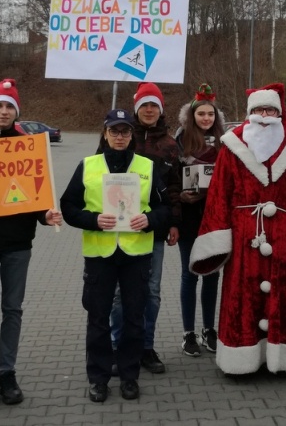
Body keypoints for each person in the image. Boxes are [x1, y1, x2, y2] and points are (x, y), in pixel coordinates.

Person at [190, 83, 286, 375]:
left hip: (281, 233)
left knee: (281, 294)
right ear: (249, 114)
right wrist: (218, 239)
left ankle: (279, 360)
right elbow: (218, 194)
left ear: (279, 114)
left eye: (270, 110)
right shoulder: (231, 145)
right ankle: (240, 359)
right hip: (244, 235)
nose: (264, 116)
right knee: (242, 295)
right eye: (258, 110)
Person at [0, 79, 63, 407]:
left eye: (9, 107)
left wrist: (45, 216)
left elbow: (36, 196)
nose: (4, 111)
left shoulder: (29, 145)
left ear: (15, 112)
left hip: (19, 243)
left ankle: (7, 373)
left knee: (13, 309)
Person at [60, 108, 170, 402]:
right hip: (100, 253)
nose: (119, 137)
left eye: (124, 131)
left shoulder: (147, 166)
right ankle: (98, 378)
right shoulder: (88, 165)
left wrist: (150, 219)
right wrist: (93, 219)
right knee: (98, 319)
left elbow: (165, 208)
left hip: (136, 253)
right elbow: (68, 207)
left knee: (135, 318)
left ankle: (130, 376)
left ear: (131, 135)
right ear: (105, 134)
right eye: (114, 131)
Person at [110, 82, 181, 374]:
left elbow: (175, 188)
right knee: (118, 294)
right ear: (137, 108)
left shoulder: (170, 145)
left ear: (160, 110)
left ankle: (145, 347)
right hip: (118, 229)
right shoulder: (120, 136)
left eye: (154, 105)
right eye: (144, 105)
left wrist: (174, 221)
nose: (149, 110)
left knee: (151, 291)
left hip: (153, 230)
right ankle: (118, 348)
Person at [175, 83, 223, 357]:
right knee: (189, 274)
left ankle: (209, 329)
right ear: (192, 116)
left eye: (210, 115)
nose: (206, 119)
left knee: (212, 275)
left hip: (215, 217)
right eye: (201, 114)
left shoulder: (224, 142)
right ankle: (188, 333)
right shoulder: (180, 141)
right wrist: (180, 197)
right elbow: (172, 180)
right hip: (190, 216)